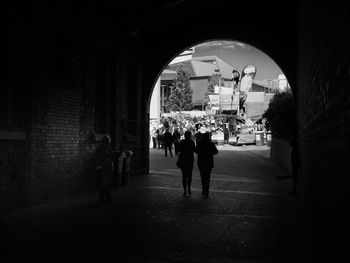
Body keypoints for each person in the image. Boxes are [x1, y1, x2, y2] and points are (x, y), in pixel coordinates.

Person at [194, 132, 218, 198]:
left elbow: (195, 151)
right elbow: (216, 152)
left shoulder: (200, 144)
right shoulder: (211, 144)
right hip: (209, 162)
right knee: (207, 177)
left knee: (202, 176)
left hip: (201, 162)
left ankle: (204, 189)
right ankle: (206, 190)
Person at [95, 135, 114, 203]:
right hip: (104, 168)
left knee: (104, 182)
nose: (109, 142)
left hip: (105, 167)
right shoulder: (103, 148)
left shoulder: (106, 148)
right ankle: (109, 198)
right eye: (108, 140)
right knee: (105, 183)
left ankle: (101, 197)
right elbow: (99, 158)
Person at [177, 131, 195, 196]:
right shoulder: (192, 142)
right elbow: (194, 150)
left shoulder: (182, 142)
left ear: (184, 135)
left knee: (184, 176)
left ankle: (185, 190)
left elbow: (179, 150)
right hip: (190, 160)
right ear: (190, 135)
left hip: (183, 160)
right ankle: (189, 188)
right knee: (190, 175)